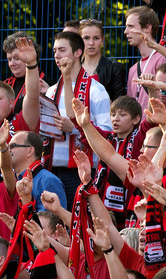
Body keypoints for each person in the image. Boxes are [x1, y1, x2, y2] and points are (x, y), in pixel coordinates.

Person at [45, 31, 112, 207]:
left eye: (62, 50)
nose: (57, 55)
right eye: (54, 51)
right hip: (51, 169)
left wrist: (75, 128)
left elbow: (108, 134)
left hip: (82, 171)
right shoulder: (51, 91)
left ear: (77, 53)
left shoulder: (96, 90)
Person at [126, 6, 166, 109]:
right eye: (126, 26)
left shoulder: (163, 60)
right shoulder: (133, 69)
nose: (126, 31)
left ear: (147, 28)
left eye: (131, 26)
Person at [79, 19, 127, 99]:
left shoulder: (114, 68)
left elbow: (119, 103)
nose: (91, 43)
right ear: (79, 40)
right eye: (86, 38)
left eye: (96, 38)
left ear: (102, 40)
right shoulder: (72, 68)